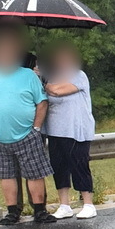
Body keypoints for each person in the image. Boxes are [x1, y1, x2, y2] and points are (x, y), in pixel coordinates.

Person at [0, 30, 56, 225]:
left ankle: (40, 211)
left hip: (27, 134)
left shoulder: (28, 75)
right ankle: (12, 212)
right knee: (5, 175)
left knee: (35, 173)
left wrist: (36, 128)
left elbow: (42, 103)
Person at [42, 42, 97, 219]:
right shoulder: (51, 77)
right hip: (55, 130)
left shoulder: (78, 76)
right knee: (59, 167)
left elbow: (57, 91)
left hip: (76, 130)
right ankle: (64, 205)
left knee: (79, 165)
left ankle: (88, 203)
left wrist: (41, 81)